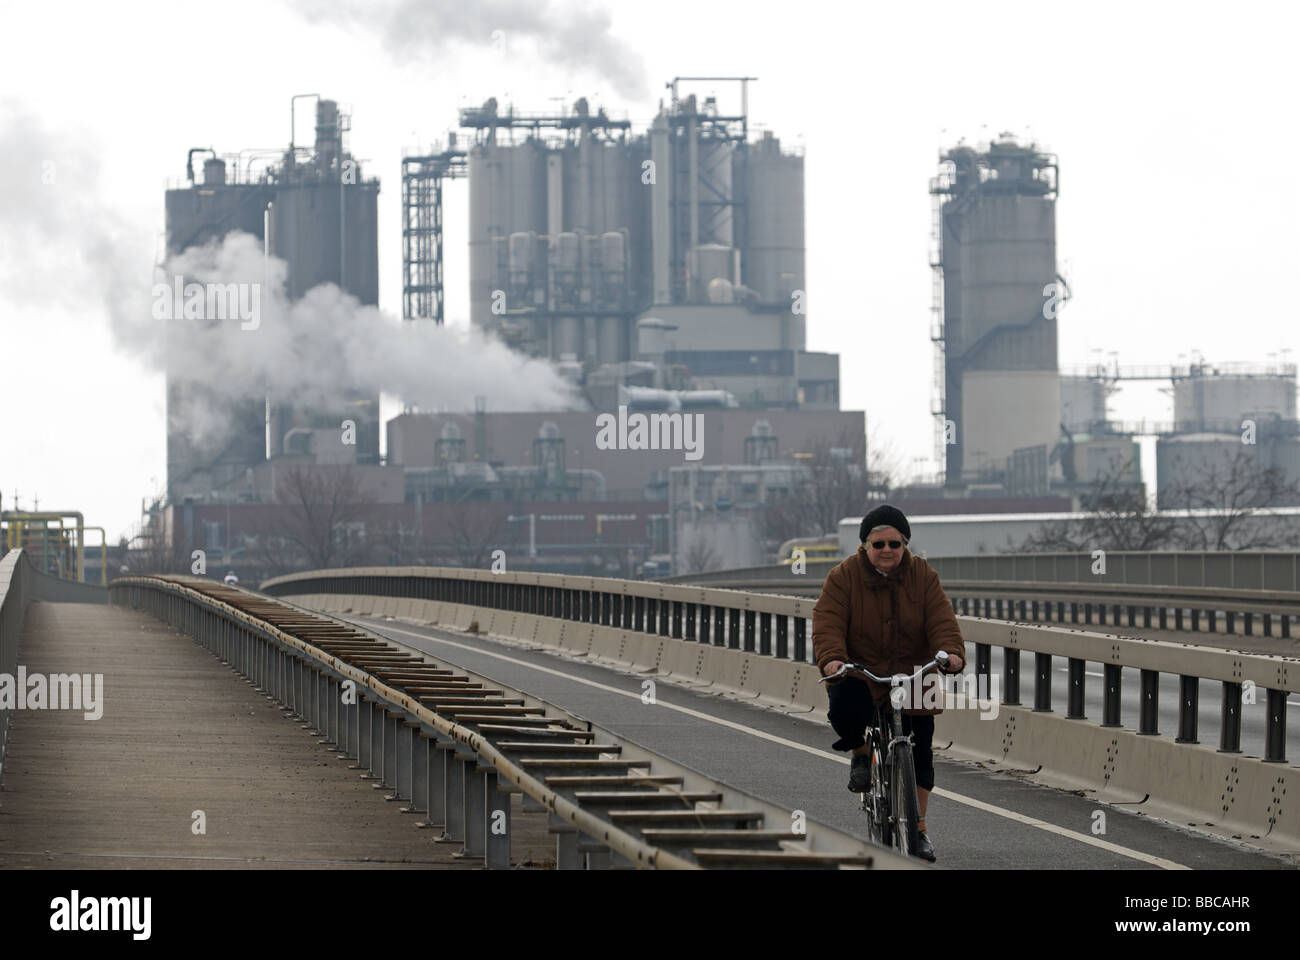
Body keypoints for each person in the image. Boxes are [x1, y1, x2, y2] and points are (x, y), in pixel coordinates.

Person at [812, 503, 965, 862]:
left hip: (912, 671)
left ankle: (920, 829)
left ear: (905, 545)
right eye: (878, 544)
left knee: (922, 746)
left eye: (894, 544)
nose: (886, 551)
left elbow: (941, 618)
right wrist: (834, 658)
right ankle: (861, 754)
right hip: (860, 669)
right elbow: (827, 621)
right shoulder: (842, 577)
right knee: (846, 709)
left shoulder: (923, 576)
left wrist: (951, 653)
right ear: (864, 546)